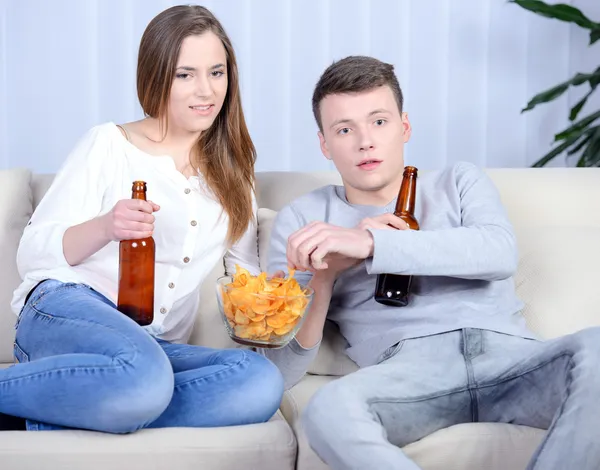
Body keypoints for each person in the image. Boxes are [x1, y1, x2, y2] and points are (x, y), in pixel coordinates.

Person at [263, 55, 600, 469]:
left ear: (404, 126)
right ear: (324, 144)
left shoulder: (458, 181)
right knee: (327, 411)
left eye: (379, 122)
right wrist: (324, 280)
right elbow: (279, 370)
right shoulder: (304, 220)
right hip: (409, 374)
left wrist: (370, 243)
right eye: (344, 129)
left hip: (511, 361)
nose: (364, 141)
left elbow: (498, 252)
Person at [1, 4, 284, 433]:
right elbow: (32, 254)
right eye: (184, 74)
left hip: (151, 347)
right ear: (156, 77)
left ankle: (88, 404)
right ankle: (122, 394)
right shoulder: (109, 144)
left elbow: (243, 278)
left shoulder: (235, 176)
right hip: (65, 307)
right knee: (145, 377)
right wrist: (106, 227)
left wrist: (294, 284)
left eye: (217, 72)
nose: (206, 90)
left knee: (259, 381)